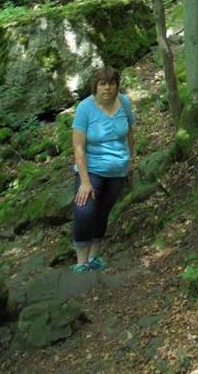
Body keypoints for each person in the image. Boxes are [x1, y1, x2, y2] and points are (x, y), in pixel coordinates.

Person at [71, 65, 135, 273]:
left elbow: (130, 133)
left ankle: (94, 257)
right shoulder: (85, 108)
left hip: (117, 170)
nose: (107, 88)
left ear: (117, 86)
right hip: (91, 169)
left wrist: (130, 160)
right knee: (84, 210)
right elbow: (78, 146)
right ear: (95, 87)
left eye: (111, 84)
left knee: (102, 212)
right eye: (102, 84)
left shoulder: (124, 103)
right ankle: (81, 263)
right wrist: (85, 181)